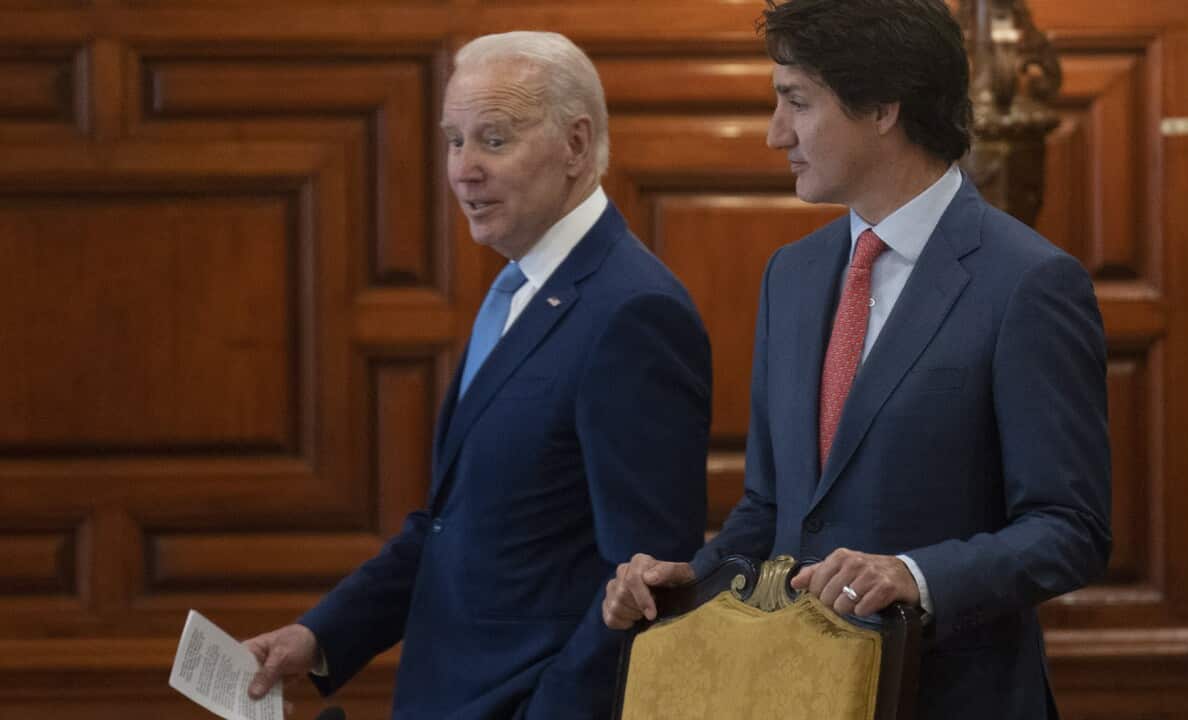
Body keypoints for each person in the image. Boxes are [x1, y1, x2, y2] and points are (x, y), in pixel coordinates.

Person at [602, 1, 1111, 718]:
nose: (776, 133)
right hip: (791, 693)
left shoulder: (1029, 283)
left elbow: (1071, 531)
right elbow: (773, 510)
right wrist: (685, 580)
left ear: (882, 107)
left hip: (957, 699)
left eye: (796, 102)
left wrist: (914, 574)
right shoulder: (792, 274)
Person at [245, 31, 711, 719]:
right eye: (453, 141)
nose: (464, 169)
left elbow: (648, 581)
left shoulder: (633, 312)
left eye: (493, 139)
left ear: (576, 145)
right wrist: (319, 636)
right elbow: (449, 527)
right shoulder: (514, 295)